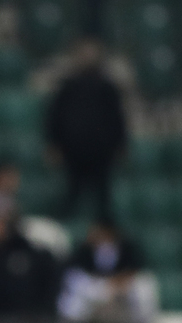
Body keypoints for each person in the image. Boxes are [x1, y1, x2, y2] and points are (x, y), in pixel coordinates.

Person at [44, 39, 127, 222]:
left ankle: (105, 230)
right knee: (72, 192)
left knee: (103, 197)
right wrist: (53, 144)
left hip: (101, 151)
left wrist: (120, 145)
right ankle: (62, 225)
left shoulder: (108, 88)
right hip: (74, 150)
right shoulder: (67, 87)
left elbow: (117, 119)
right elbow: (54, 117)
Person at [57, 220, 158, 323]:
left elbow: (135, 269)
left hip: (122, 286)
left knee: (144, 286)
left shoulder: (127, 247)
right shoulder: (84, 249)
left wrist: (118, 283)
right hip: (95, 286)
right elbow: (76, 272)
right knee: (73, 292)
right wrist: (102, 285)